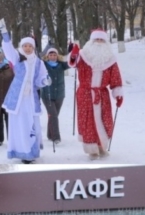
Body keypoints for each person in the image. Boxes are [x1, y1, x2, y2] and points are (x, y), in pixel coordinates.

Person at [0, 19, 50, 163]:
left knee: (31, 124)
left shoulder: (39, 62)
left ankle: (31, 150)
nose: (27, 48)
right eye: (25, 46)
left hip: (31, 98)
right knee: (19, 125)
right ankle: (21, 151)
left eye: (30, 46)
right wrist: (4, 33)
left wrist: (45, 81)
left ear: (33, 48)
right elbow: (8, 48)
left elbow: (40, 78)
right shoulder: (17, 58)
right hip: (17, 98)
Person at [67, 29, 124, 159]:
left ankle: (101, 146)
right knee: (88, 121)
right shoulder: (83, 55)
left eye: (101, 40)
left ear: (105, 42)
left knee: (104, 120)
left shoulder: (110, 59)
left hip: (102, 94)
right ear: (91, 41)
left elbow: (115, 77)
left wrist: (118, 93)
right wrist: (73, 55)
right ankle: (91, 150)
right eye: (96, 40)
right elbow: (72, 64)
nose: (99, 42)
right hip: (85, 94)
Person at [41, 48, 69, 145]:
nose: (52, 57)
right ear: (47, 56)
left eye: (54, 55)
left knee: (54, 115)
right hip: (47, 94)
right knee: (53, 115)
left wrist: (73, 53)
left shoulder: (61, 65)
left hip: (59, 95)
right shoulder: (43, 65)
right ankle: (56, 137)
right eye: (50, 55)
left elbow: (71, 63)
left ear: (57, 56)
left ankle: (50, 134)